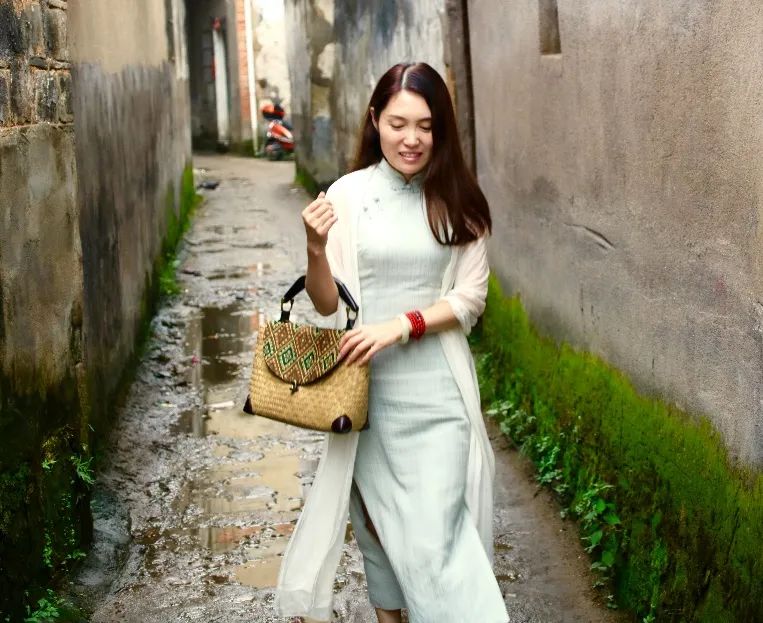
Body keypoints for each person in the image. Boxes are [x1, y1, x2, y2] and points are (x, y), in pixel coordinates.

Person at [275, 62, 509, 623]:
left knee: (437, 542)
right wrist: (314, 248)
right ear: (375, 120)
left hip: (439, 396)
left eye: (425, 126)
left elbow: (470, 300)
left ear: (441, 129)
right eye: (398, 123)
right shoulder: (348, 196)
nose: (411, 139)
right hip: (365, 397)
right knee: (377, 531)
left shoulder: (459, 200)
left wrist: (401, 325)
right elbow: (327, 304)